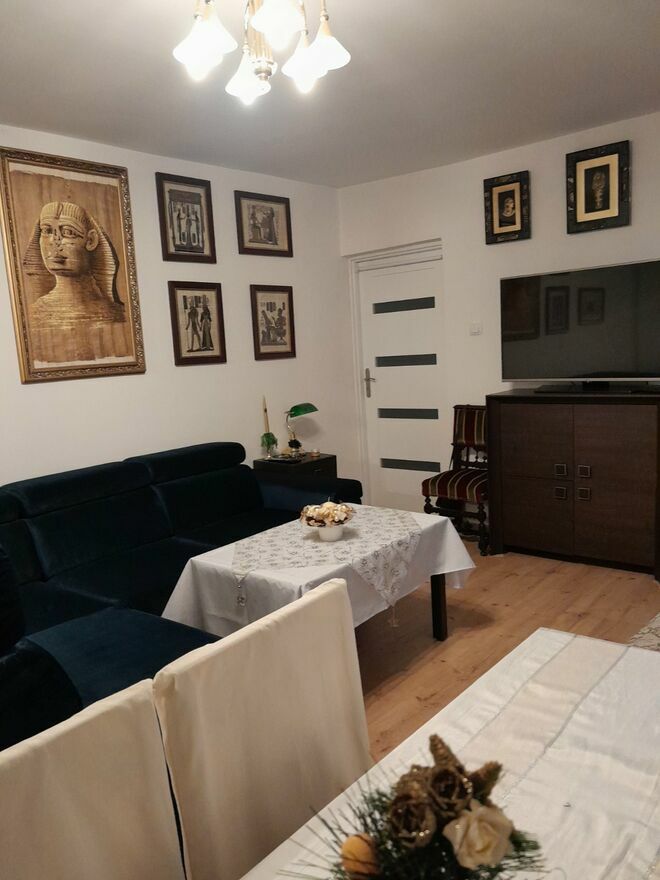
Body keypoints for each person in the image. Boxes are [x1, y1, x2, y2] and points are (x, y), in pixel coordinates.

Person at [23, 201, 128, 364]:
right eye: (47, 231)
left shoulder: (118, 314)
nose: (54, 242)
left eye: (68, 232)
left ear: (91, 241)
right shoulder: (32, 315)